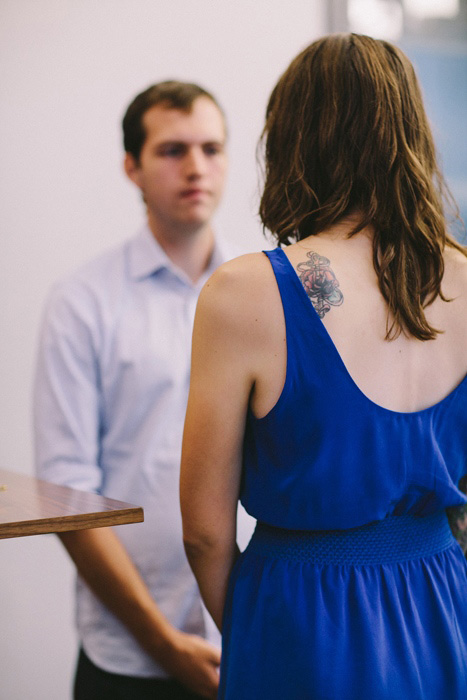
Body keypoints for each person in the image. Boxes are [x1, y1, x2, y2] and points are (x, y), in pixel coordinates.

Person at [180, 34, 467, 699]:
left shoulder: (244, 293)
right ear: (408, 134)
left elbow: (202, 530)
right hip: (441, 602)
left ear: (290, 139)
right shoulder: (463, 279)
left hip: (303, 615)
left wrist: (257, 633)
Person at [34, 80, 232, 700]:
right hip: (129, 659)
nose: (196, 167)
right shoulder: (82, 302)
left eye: (211, 148)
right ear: (132, 167)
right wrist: (166, 646)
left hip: (250, 641)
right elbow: (67, 498)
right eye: (173, 150)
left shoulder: (266, 295)